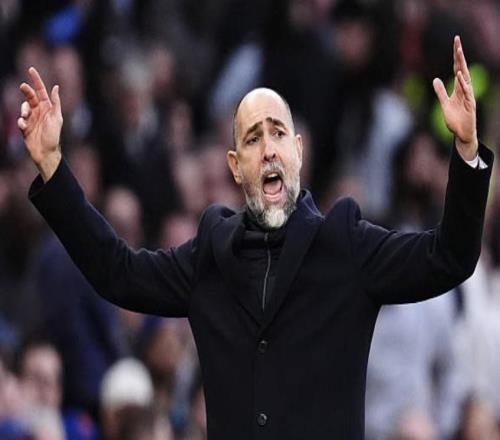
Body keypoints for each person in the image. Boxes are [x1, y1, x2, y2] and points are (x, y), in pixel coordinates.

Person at [18, 36, 493, 439]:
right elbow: (117, 272)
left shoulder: (346, 245)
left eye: (278, 133)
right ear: (235, 166)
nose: (267, 149)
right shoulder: (209, 256)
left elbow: (448, 257)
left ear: (298, 152)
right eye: (252, 139)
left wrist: (467, 149)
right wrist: (53, 167)